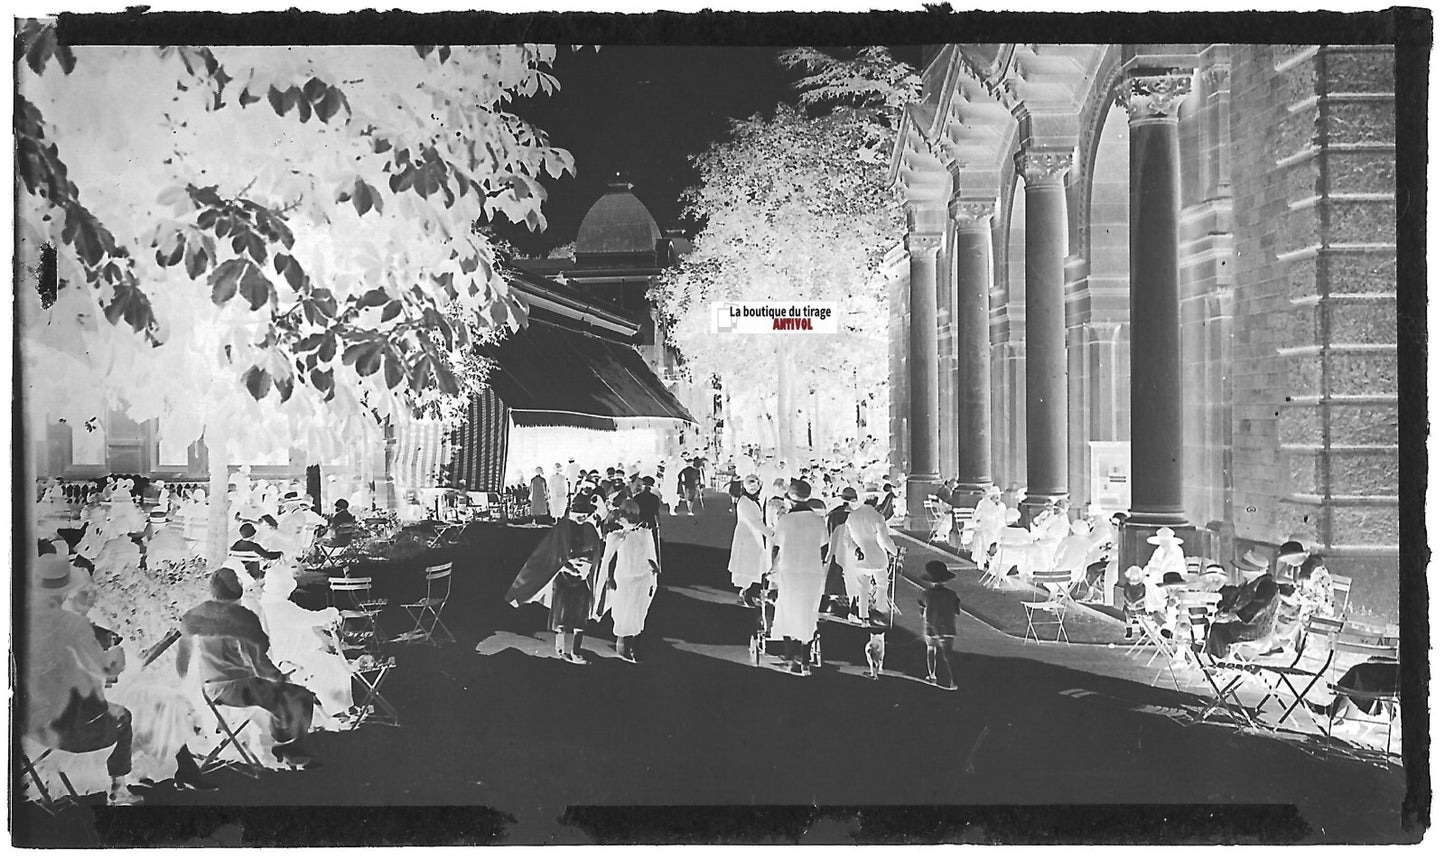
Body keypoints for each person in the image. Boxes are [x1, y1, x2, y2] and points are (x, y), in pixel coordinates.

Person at [23, 555, 144, 805]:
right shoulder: (73, 625)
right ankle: (119, 789)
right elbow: (104, 670)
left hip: (28, 724)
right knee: (124, 716)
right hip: (70, 732)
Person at [176, 568, 318, 768]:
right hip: (239, 689)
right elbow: (258, 662)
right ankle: (287, 746)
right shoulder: (243, 618)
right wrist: (280, 677)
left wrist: (192, 689)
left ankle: (281, 742)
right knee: (302, 696)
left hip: (209, 691)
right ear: (238, 593)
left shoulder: (192, 617)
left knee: (277, 700)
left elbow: (182, 663)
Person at [504, 495, 603, 664]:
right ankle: (561, 649)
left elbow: (596, 553)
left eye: (584, 514)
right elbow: (550, 553)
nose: (581, 517)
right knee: (562, 615)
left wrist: (586, 568)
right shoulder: (562, 528)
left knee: (580, 616)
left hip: (582, 578)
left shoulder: (590, 529)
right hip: (563, 577)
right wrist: (567, 566)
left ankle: (576, 651)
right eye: (578, 513)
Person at [257, 565, 353, 728]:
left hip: (279, 656)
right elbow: (311, 618)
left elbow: (302, 620)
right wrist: (332, 612)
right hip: (291, 658)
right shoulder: (281, 607)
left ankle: (333, 709)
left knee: (329, 662)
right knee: (336, 665)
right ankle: (337, 711)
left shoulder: (265, 603)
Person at [768, 480, 830, 676]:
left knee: (788, 610)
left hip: (790, 572)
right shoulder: (818, 521)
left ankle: (789, 658)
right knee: (808, 613)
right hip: (812, 573)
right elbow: (824, 548)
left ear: (790, 500)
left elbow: (777, 548)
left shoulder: (785, 521)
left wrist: (772, 570)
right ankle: (805, 662)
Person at [598, 502, 659, 663]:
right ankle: (623, 645)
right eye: (627, 515)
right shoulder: (616, 535)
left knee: (639, 613)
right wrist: (609, 578)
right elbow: (608, 558)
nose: (631, 518)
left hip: (642, 579)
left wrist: (654, 568)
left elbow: (651, 554)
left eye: (633, 515)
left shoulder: (645, 532)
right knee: (622, 613)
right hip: (623, 579)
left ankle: (635, 648)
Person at [1205, 549, 1280, 660]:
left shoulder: (1267, 585)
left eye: (1245, 568)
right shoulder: (1249, 583)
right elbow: (1237, 600)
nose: (1241, 571)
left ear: (1256, 570)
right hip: (1246, 625)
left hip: (1256, 629)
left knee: (1216, 629)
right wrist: (1226, 613)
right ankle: (1215, 656)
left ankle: (1219, 659)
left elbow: (1258, 606)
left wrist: (1234, 616)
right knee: (1211, 625)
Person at [842, 487, 896, 624]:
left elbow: (847, 540)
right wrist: (894, 551)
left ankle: (863, 616)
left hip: (860, 559)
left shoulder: (851, 516)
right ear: (875, 501)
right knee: (882, 585)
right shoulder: (877, 517)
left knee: (862, 588)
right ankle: (880, 612)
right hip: (877, 558)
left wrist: (857, 550)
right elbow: (884, 540)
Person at [918, 561, 961, 690]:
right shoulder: (952, 594)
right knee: (948, 654)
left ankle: (932, 675)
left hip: (931, 626)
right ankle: (953, 680)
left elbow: (922, 612)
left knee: (931, 649)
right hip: (948, 627)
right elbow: (957, 611)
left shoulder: (926, 593)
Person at [728, 475, 771, 607]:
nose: (753, 488)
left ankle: (748, 592)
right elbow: (755, 522)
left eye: (755, 485)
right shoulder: (744, 502)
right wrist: (771, 534)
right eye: (750, 486)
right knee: (748, 565)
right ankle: (747, 593)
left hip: (753, 536)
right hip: (747, 537)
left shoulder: (753, 500)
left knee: (754, 564)